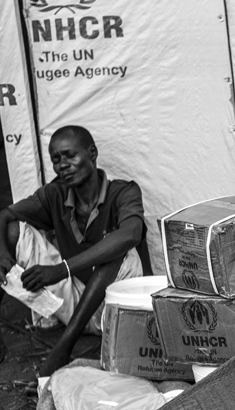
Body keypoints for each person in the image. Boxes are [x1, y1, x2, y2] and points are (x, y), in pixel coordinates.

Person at [0, 125, 148, 377]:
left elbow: (131, 234)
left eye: (70, 155)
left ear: (92, 153)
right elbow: (5, 215)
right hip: (73, 302)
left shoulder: (123, 192)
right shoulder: (55, 194)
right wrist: (2, 253)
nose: (62, 165)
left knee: (117, 245)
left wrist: (62, 269)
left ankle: (63, 348)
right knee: (10, 231)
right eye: (56, 159)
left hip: (118, 310)